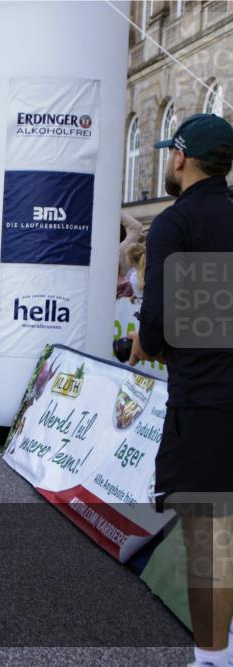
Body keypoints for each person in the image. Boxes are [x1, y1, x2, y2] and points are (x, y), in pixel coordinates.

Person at [128, 113, 233, 667]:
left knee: (210, 539)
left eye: (172, 152)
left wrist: (147, 336)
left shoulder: (178, 221)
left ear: (181, 158)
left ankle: (212, 658)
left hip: (207, 404)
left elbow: (165, 325)